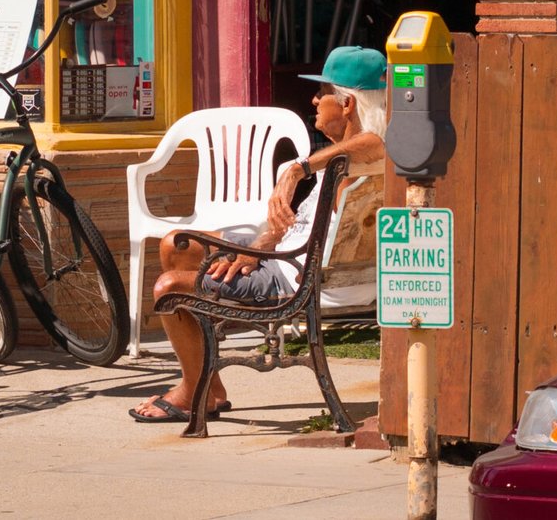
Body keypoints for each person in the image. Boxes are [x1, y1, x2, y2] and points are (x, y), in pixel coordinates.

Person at [129, 45, 389, 423]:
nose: (315, 100)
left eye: (323, 93)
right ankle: (209, 388)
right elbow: (296, 230)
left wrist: (296, 168)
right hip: (290, 259)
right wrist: (259, 247)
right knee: (176, 244)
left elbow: (377, 143)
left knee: (168, 288)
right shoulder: (345, 159)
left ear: (347, 104)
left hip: (296, 279)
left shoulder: (359, 160)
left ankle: (191, 392)